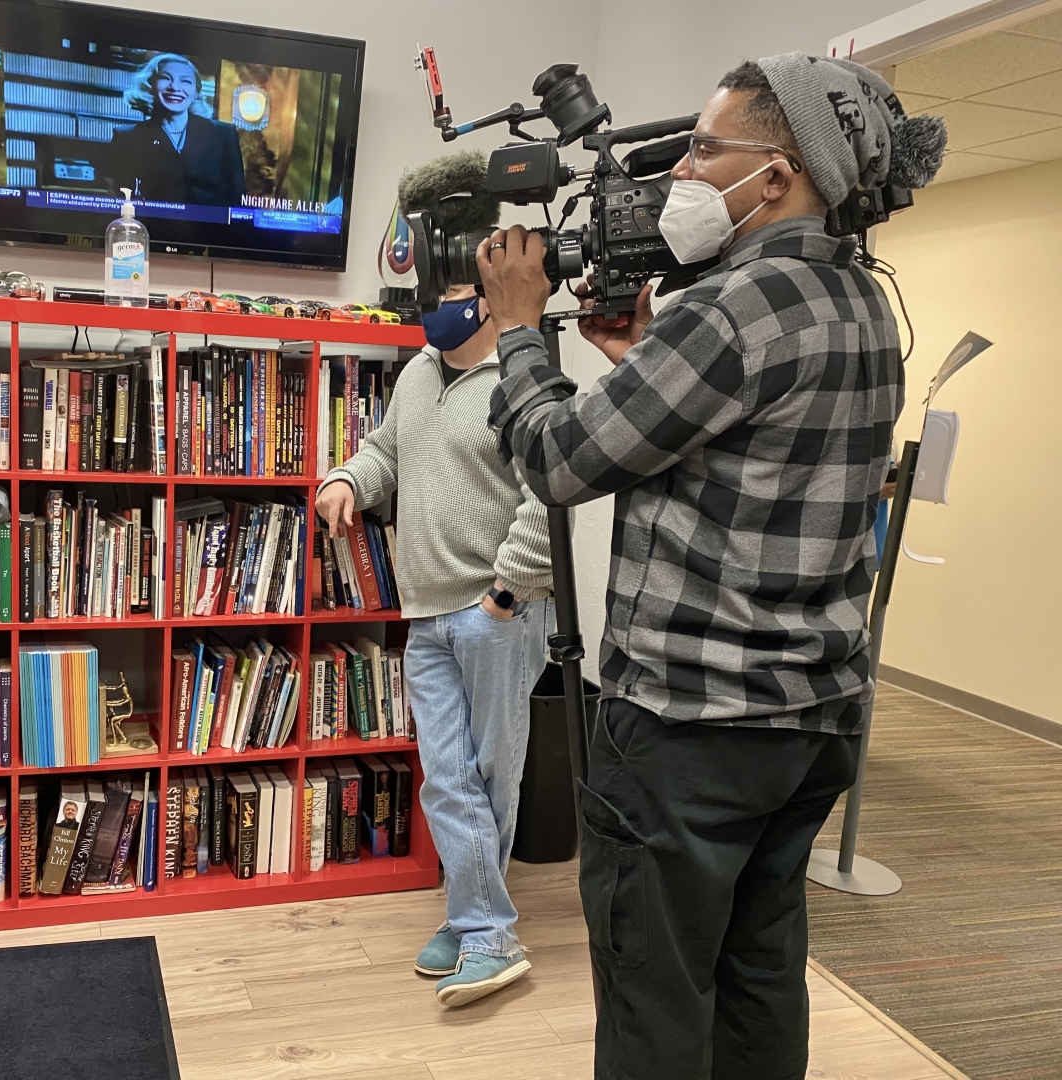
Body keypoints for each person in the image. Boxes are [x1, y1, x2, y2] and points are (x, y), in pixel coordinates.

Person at [482, 56, 944, 1078]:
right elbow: (754, 439)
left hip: (693, 728)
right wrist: (645, 356)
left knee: (654, 988)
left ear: (776, 174)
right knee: (758, 972)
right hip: (812, 718)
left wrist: (518, 334)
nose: (680, 172)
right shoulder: (861, 301)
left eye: (700, 148)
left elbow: (558, 462)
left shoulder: (731, 308)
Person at [316, 162, 554, 1006]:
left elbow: (548, 495)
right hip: (425, 613)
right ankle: (479, 920)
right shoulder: (419, 371)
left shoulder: (525, 381)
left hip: (499, 612)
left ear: (491, 295)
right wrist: (347, 477)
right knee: (445, 775)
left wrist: (506, 595)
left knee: (490, 775)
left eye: (452, 290)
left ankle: (480, 927)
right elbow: (387, 449)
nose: (436, 305)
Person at [108, 53, 245, 207]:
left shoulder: (223, 134)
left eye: (186, 81)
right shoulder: (127, 137)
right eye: (165, 78)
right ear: (150, 86)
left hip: (211, 222)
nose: (175, 87)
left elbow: (237, 199)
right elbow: (120, 198)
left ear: (195, 92)